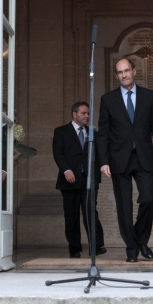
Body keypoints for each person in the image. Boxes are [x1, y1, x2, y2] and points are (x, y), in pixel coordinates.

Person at [97, 58, 153, 263]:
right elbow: (102, 134)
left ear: (134, 71)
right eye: (119, 72)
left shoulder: (149, 96)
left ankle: (140, 240)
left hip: (143, 157)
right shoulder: (108, 99)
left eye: (127, 71)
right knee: (124, 207)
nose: (124, 75)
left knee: (148, 199)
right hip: (118, 159)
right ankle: (132, 248)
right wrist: (103, 161)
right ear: (117, 75)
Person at [52, 102, 106, 258]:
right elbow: (58, 153)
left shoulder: (92, 133)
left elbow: (100, 153)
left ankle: (95, 246)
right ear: (74, 114)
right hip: (69, 180)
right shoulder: (61, 131)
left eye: (88, 113)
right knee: (72, 215)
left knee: (91, 213)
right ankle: (74, 248)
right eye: (83, 113)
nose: (87, 116)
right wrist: (66, 170)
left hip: (89, 180)